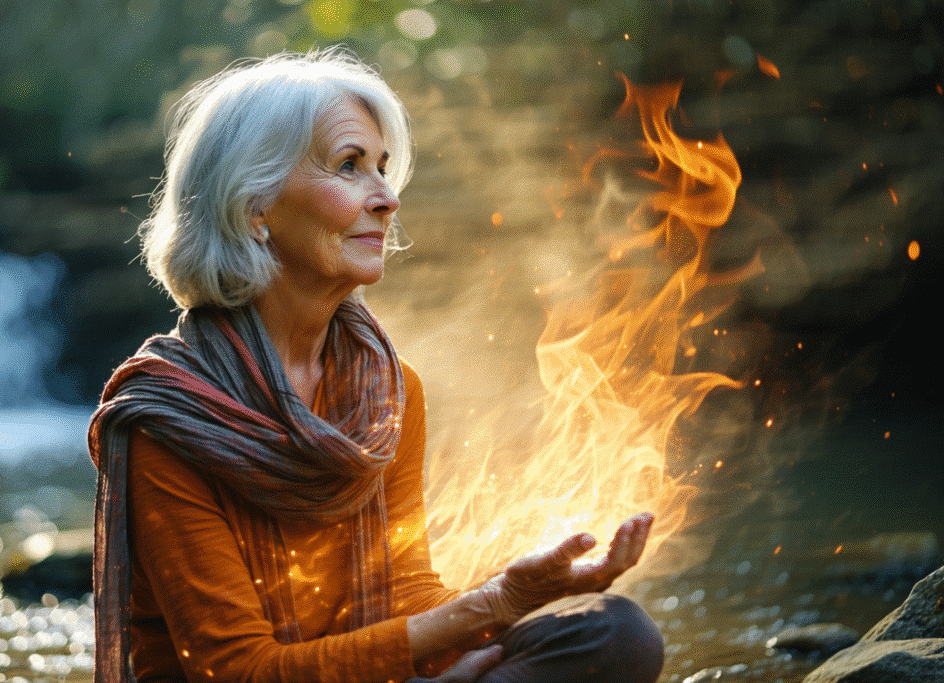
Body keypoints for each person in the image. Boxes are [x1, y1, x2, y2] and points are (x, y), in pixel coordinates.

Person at [89, 48, 664, 683]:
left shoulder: (386, 391)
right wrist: (488, 606)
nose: (387, 199)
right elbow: (238, 671)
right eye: (349, 167)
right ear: (254, 207)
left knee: (613, 632)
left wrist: (517, 598)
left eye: (383, 170)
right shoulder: (167, 420)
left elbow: (406, 591)